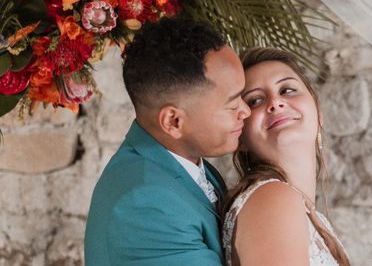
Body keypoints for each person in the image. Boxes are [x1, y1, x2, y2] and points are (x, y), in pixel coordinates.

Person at [84, 16, 250, 266]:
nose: (246, 111)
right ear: (173, 121)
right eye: (233, 104)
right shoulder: (146, 204)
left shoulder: (185, 165)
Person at [222, 47, 350, 266]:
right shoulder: (272, 199)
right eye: (254, 101)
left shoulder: (314, 217)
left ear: (318, 113)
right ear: (240, 137)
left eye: (288, 90)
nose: (275, 103)